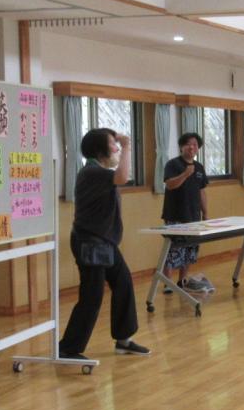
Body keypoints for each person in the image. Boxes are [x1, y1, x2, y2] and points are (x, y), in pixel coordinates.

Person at [58, 128, 149, 358]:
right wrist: (127, 146)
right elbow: (122, 177)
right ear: (100, 151)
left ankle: (124, 339)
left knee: (123, 282)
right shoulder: (92, 172)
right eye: (112, 144)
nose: (117, 148)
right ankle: (68, 348)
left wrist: (123, 147)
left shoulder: (97, 171)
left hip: (104, 242)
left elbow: (119, 177)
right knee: (92, 296)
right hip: (90, 242)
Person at [160, 131, 211, 293]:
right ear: (181, 147)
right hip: (175, 214)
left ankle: (182, 281)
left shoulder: (199, 167)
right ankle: (167, 284)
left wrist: (206, 213)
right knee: (173, 249)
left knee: (190, 250)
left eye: (195, 145)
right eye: (188, 144)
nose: (191, 147)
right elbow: (170, 185)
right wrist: (185, 174)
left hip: (194, 216)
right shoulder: (172, 164)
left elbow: (202, 191)